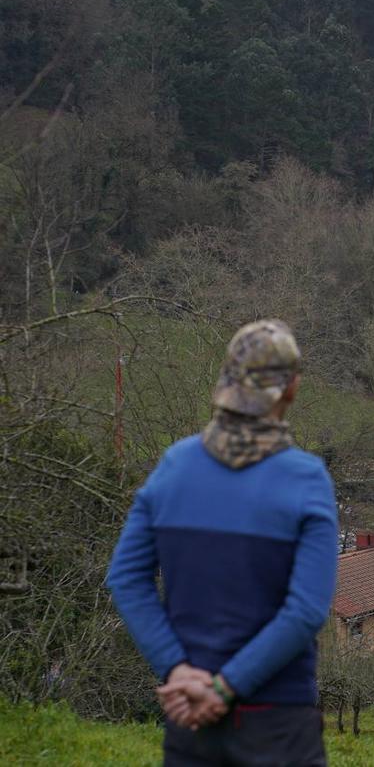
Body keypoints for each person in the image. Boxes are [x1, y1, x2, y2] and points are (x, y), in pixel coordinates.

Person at [106, 320, 338, 766]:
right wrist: (225, 687)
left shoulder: (174, 466)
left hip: (191, 720)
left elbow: (125, 579)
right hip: (278, 725)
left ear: (226, 382)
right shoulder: (307, 480)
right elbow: (306, 611)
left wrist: (176, 669)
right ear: (291, 389)